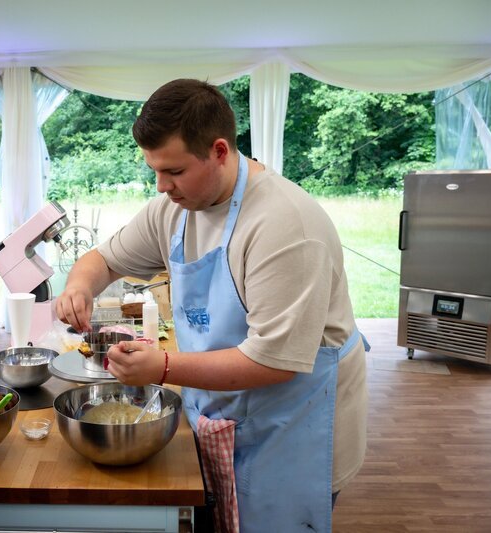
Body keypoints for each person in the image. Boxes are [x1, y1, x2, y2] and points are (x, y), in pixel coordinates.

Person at [56, 79, 368, 532]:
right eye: (155, 171)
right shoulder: (173, 208)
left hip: (293, 422)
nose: (163, 186)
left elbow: (274, 361)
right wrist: (79, 286)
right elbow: (102, 259)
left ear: (220, 151)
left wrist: (162, 367)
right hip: (224, 406)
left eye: (175, 171)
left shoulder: (284, 226)